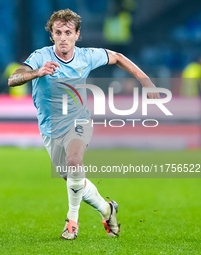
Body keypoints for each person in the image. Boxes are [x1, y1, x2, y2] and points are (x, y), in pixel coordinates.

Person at [8, 9, 160, 240]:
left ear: (77, 34)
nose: (63, 38)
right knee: (74, 180)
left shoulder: (86, 56)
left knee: (75, 161)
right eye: (58, 32)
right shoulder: (41, 56)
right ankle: (108, 209)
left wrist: (146, 82)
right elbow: (13, 79)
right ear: (52, 35)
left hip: (79, 121)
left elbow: (117, 57)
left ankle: (72, 221)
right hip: (50, 129)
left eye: (68, 32)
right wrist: (37, 72)